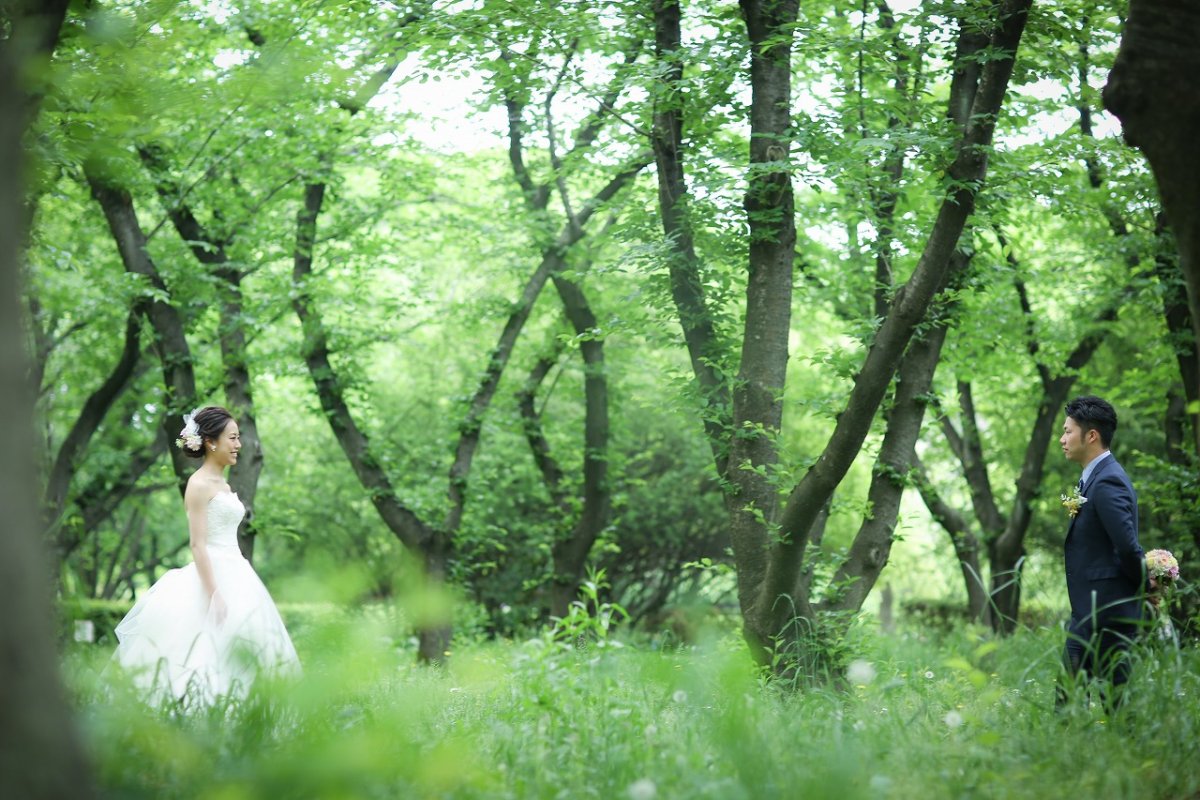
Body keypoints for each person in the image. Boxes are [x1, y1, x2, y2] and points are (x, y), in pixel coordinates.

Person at [110, 406, 299, 704]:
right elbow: (197, 545)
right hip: (213, 576)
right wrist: (214, 594)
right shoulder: (197, 485)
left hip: (238, 572)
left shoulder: (223, 484)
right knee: (206, 649)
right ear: (211, 442)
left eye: (238, 438)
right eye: (233, 438)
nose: (238, 445)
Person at [1056, 395, 1146, 709]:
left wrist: (1146, 586)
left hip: (1108, 614)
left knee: (1114, 705)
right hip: (1089, 614)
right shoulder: (1093, 477)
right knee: (1069, 701)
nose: (1062, 439)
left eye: (1068, 431)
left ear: (1091, 435)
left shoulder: (1108, 481)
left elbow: (1127, 546)